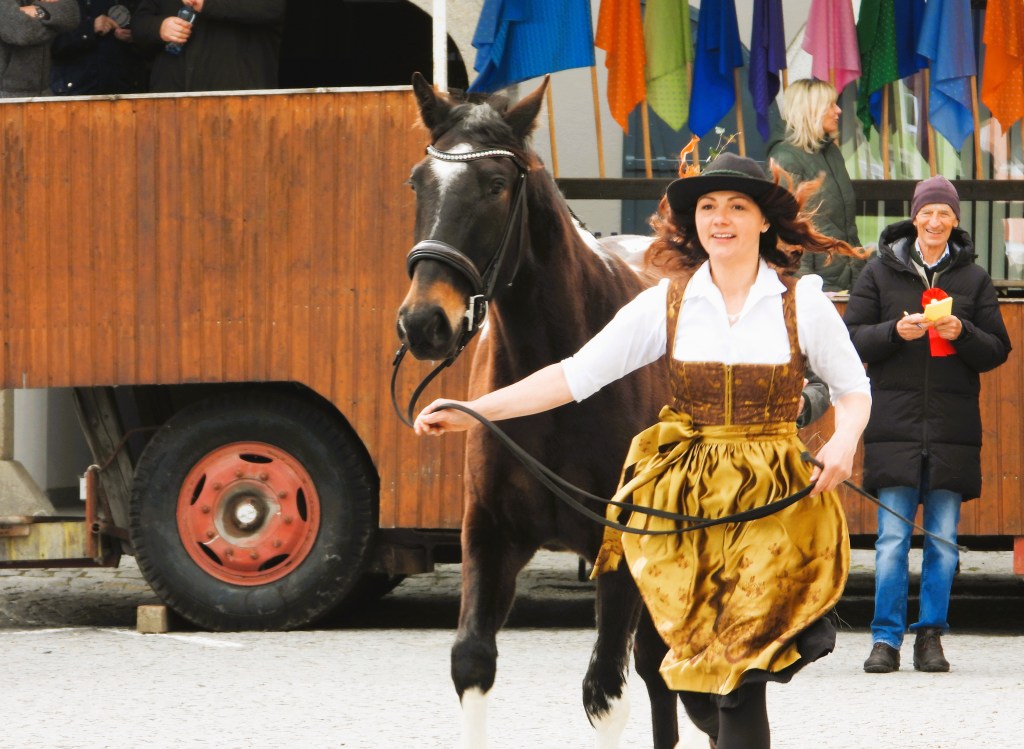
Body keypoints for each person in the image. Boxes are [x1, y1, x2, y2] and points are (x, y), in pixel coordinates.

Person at [414, 152, 872, 749]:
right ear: (695, 223)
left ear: (764, 221)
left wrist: (842, 442)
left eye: (737, 206)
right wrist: (475, 410)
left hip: (768, 507)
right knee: (698, 681)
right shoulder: (667, 304)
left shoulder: (802, 302)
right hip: (685, 506)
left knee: (741, 675)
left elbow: (854, 390)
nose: (721, 218)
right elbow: (574, 376)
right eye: (708, 207)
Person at [845, 175, 1011, 674]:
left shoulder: (973, 280)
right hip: (892, 425)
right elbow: (851, 339)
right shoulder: (880, 271)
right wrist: (893, 332)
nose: (935, 221)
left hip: (950, 427)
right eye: (927, 212)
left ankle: (931, 636)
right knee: (892, 540)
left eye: (945, 213)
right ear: (913, 217)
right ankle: (885, 639)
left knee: (941, 540)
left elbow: (996, 350)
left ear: (955, 220)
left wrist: (962, 331)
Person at [768, 77, 865, 294]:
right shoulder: (785, 158)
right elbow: (786, 235)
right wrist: (802, 289)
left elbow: (843, 223)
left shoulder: (831, 153)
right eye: (830, 105)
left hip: (847, 279)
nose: (838, 110)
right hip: (815, 285)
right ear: (811, 110)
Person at [131, 0, 285, 93]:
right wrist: (159, 27)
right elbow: (137, 25)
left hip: (237, 96)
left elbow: (272, 8)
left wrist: (209, 3)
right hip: (172, 96)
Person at [50, 0, 147, 95]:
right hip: (76, 89)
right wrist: (89, 28)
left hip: (123, 88)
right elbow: (51, 43)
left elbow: (149, 32)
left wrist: (135, 34)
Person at [1, 0, 81, 97]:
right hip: (6, 95)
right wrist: (55, 23)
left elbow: (71, 13)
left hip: (44, 91)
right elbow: (22, 32)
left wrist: (39, 11)